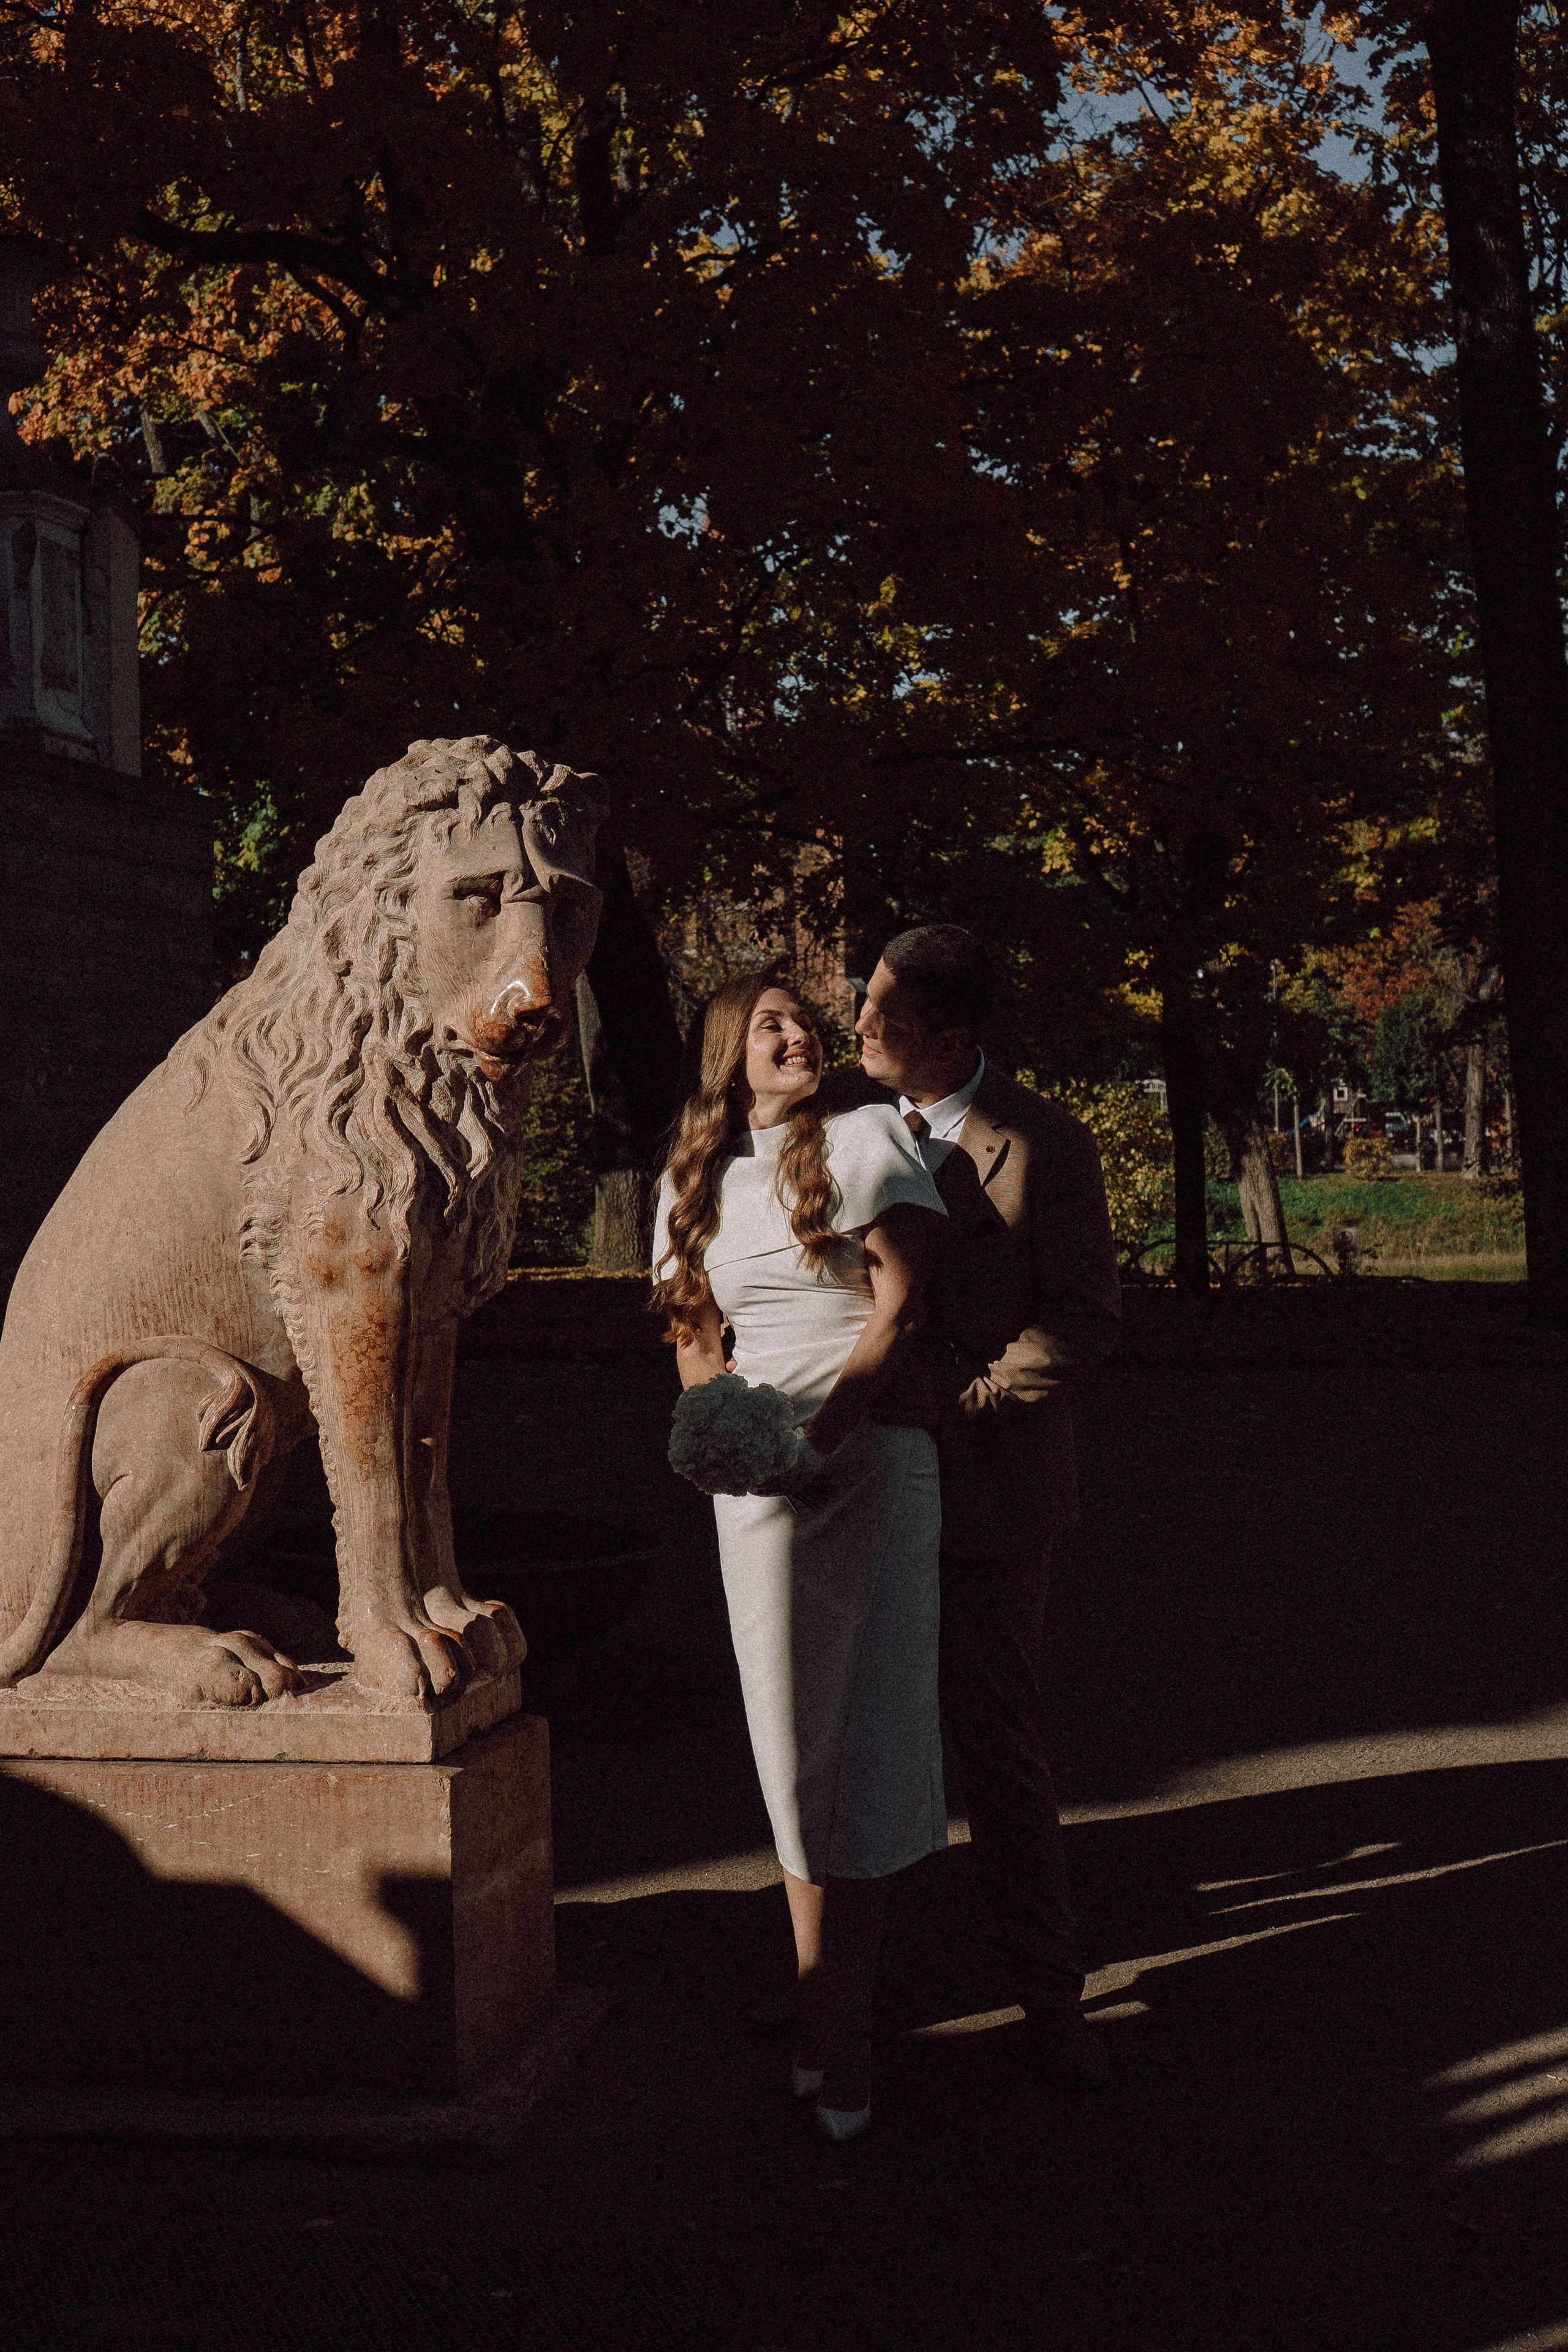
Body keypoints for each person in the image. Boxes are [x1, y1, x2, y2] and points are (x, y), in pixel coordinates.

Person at [652, 973, 948, 2141]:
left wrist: (820, 1440)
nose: (798, 1031)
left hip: (870, 1468)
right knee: (788, 1739)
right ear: (728, 1054)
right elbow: (692, 1335)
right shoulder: (695, 1184)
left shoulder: (868, 1136)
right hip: (763, 1485)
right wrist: (727, 1438)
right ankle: (821, 1993)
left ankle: (847, 2024)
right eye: (769, 1020)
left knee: (869, 1732)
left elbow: (903, 1306)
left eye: (802, 1019)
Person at [853, 924, 1121, 2088]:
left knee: (997, 1746)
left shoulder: (1045, 1143)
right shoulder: (844, 1133)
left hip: (991, 1491)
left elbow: (1084, 1319)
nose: (856, 1028)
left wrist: (961, 1405)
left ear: (953, 1037)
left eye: (883, 1016)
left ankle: (1048, 1998)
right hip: (859, 1486)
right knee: (857, 1738)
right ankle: (837, 1997)